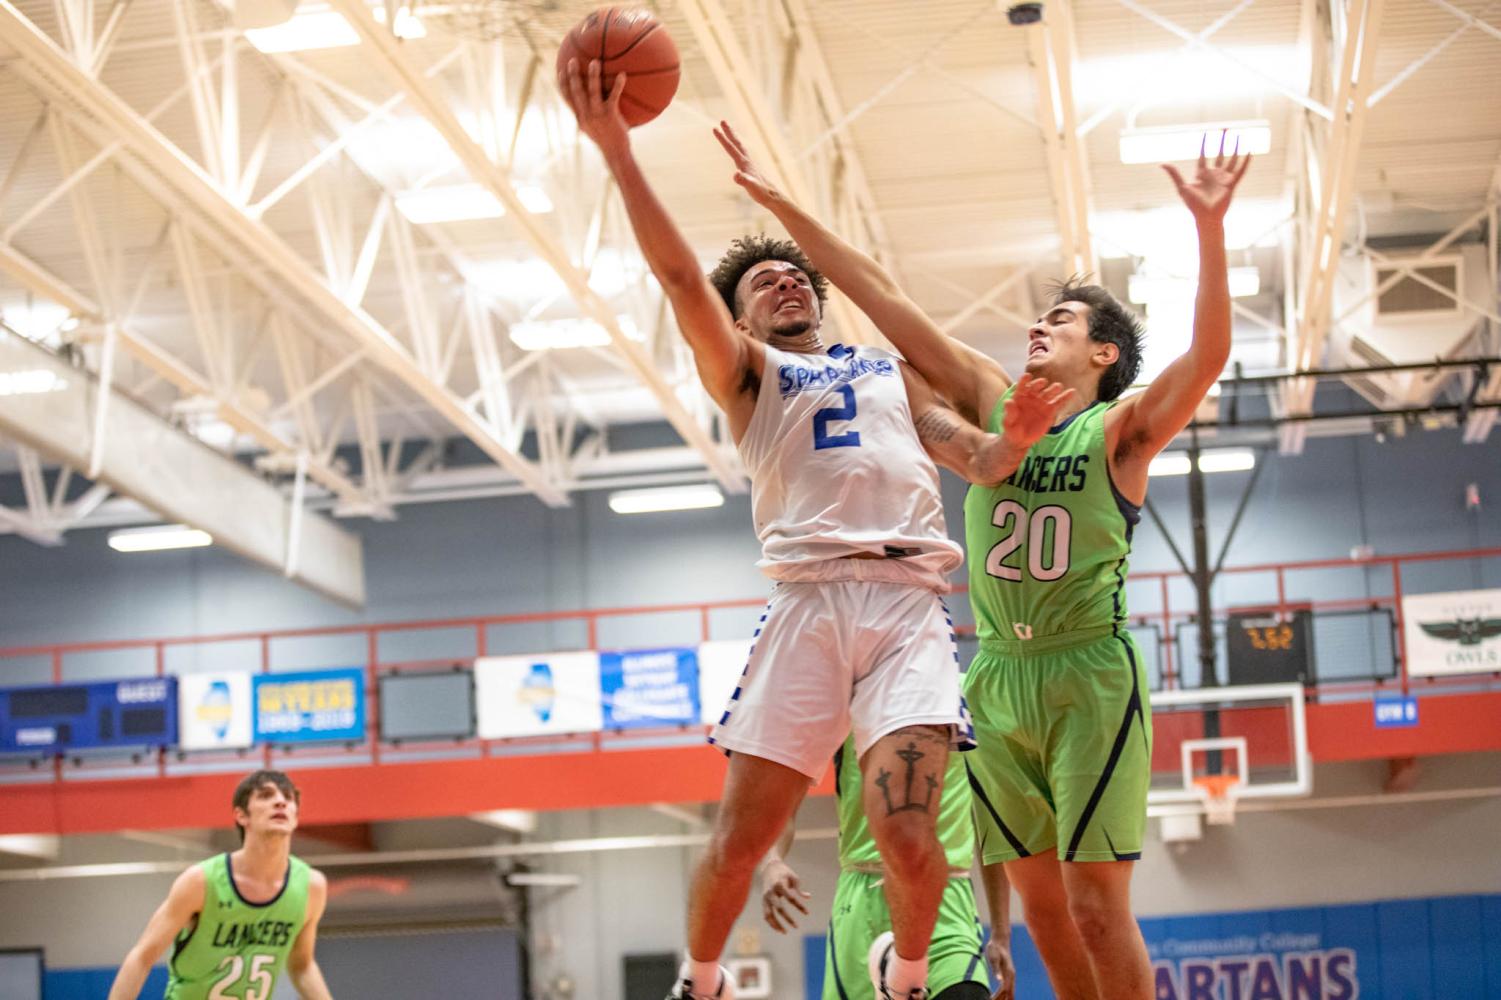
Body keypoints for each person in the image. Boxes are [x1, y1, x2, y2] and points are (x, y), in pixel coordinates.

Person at [559, 61, 1073, 1000]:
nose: (786, 282)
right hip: (808, 605)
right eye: (762, 281)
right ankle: (700, 980)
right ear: (739, 317)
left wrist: (1018, 437)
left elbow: (980, 461)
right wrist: (618, 153)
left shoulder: (887, 373)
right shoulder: (748, 377)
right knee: (743, 838)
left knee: (910, 834)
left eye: (794, 274)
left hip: (909, 608)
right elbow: (678, 276)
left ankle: (907, 975)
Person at [714, 123, 1250, 1000]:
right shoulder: (983, 398)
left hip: (1087, 669)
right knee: (1042, 915)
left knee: (1094, 908)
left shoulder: (1118, 432)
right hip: (993, 671)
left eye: (1064, 320)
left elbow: (1210, 356)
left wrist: (1209, 230)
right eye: (1039, 316)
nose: (1040, 325)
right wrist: (782, 206)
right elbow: (876, 292)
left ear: (1104, 354)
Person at [760, 734, 1017, 1000]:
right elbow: (783, 793)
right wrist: (772, 860)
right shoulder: (845, 701)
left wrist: (1001, 931)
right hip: (863, 897)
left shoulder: (963, 701)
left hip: (945, 895)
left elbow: (990, 823)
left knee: (965, 993)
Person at [108, 769, 333, 1000]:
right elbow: (143, 956)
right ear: (241, 815)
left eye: (288, 797)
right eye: (266, 795)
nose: (280, 802)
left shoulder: (311, 887)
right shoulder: (201, 882)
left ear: (296, 816)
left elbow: (302, 966)